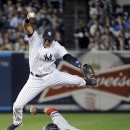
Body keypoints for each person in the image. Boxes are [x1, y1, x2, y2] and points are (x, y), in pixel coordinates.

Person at [6, 12, 97, 130]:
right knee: (17, 105)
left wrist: (80, 65)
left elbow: (67, 57)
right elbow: (26, 27)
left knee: (73, 79)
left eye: (50, 40)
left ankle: (86, 82)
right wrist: (27, 19)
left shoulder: (57, 47)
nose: (47, 41)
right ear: (42, 36)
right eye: (46, 39)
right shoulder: (35, 40)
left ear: (54, 39)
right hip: (34, 79)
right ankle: (17, 123)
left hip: (51, 75)